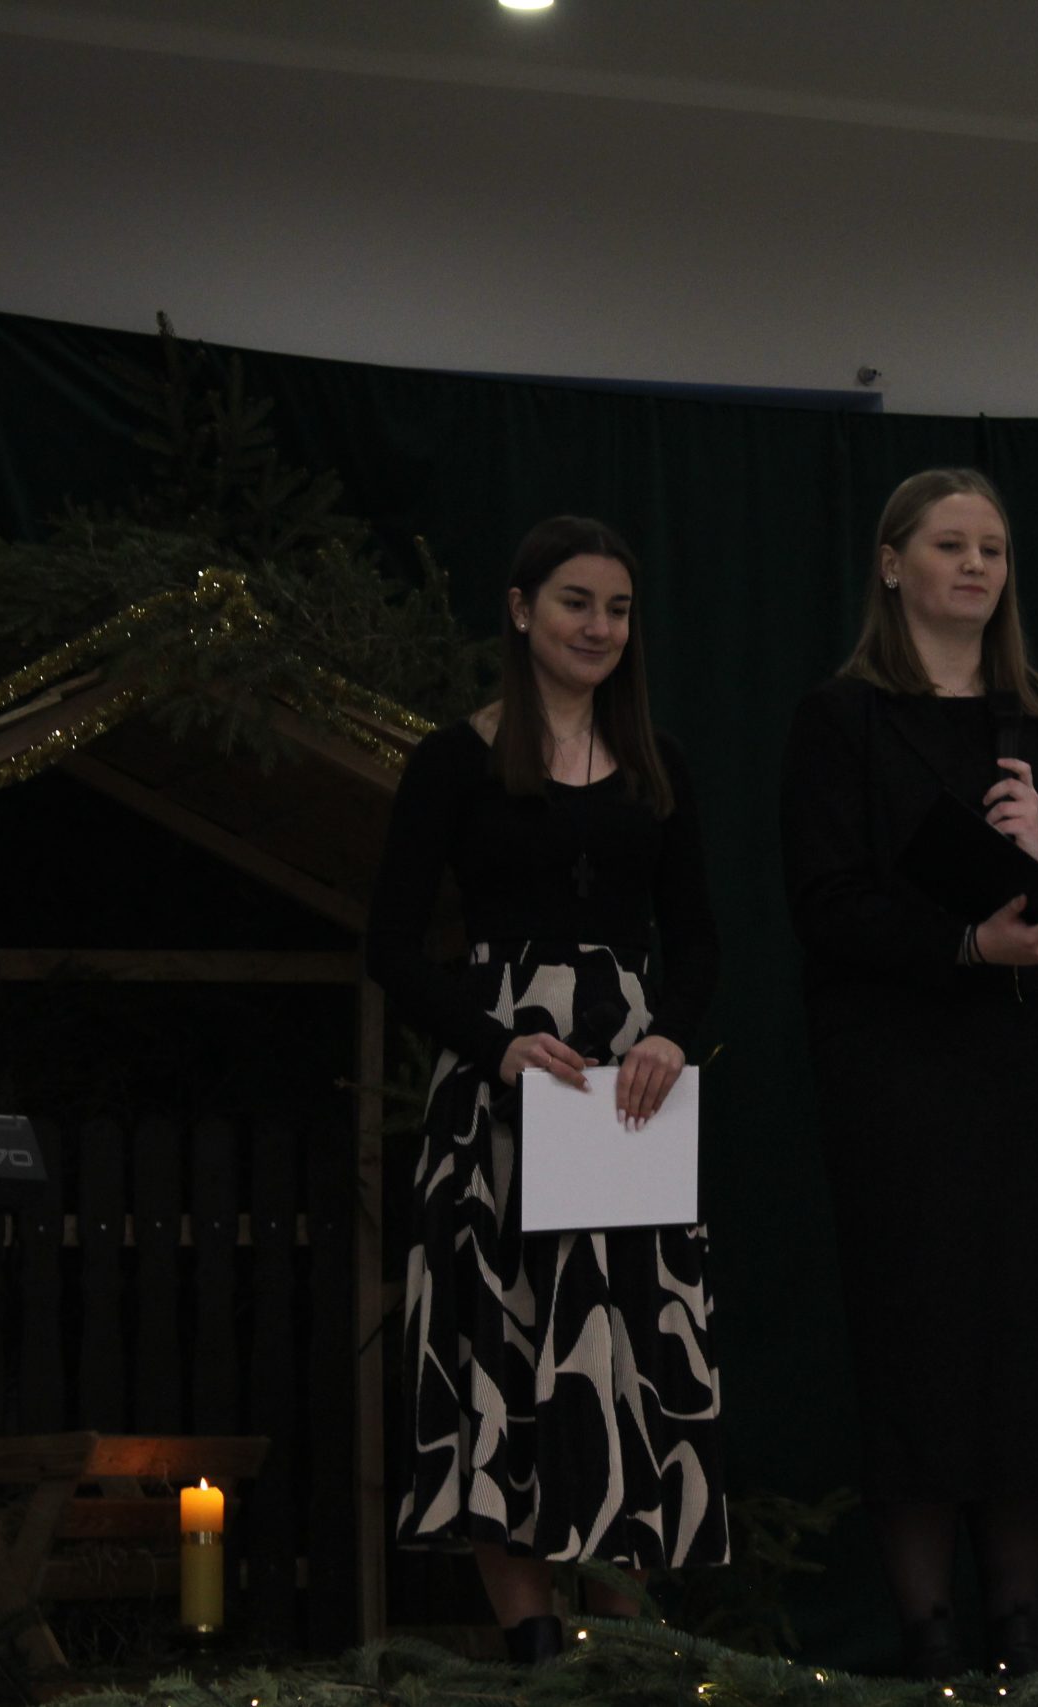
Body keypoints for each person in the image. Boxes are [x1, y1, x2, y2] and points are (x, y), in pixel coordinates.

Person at [779, 468, 1038, 1677]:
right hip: (902, 1076)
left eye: (993, 547)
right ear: (893, 565)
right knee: (922, 1343)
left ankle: (1022, 1638)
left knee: (1030, 1350)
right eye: (950, 544)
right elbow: (825, 906)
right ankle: (928, 1644)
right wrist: (965, 946)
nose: (977, 565)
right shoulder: (840, 720)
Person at [367, 515, 725, 1662]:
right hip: (501, 1098)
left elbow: (701, 943)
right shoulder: (454, 760)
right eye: (576, 602)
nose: (598, 627)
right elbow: (390, 946)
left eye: (617, 609)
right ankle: (530, 1649)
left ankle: (619, 1657)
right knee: (498, 1349)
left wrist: (668, 1037)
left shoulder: (659, 764)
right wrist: (497, 1046)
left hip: (626, 1093)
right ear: (522, 611)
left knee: (627, 1356)